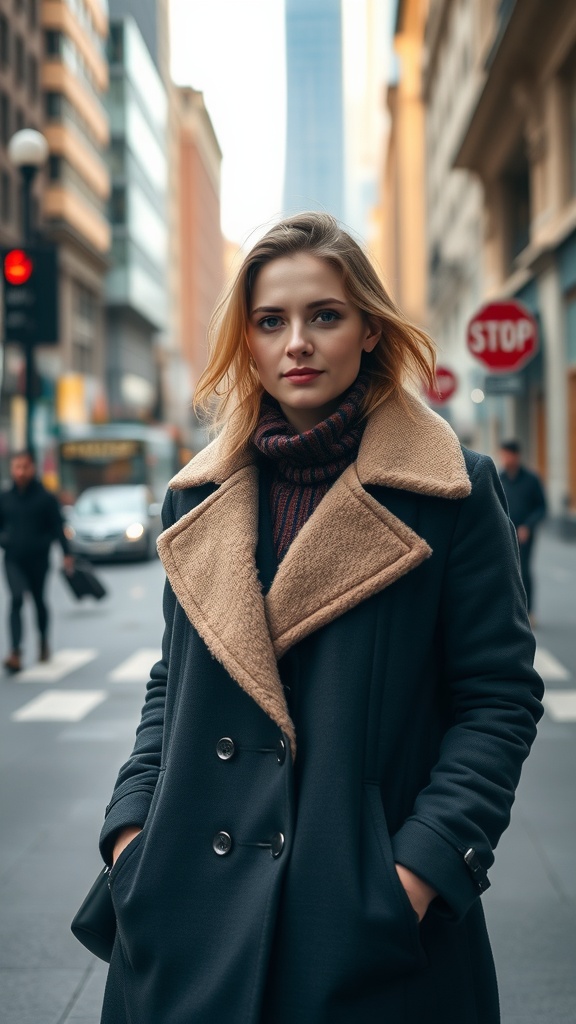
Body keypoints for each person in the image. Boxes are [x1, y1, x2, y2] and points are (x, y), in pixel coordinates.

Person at [98, 214, 543, 1024]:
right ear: (249, 339)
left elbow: (499, 699)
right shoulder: (196, 497)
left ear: (370, 328)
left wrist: (415, 874)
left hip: (361, 929)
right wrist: (131, 835)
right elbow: (172, 684)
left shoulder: (452, 491)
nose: (296, 342)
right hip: (186, 915)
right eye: (271, 321)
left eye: (324, 316)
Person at [0, 450, 74, 672]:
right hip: (13, 559)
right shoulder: (5, 498)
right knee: (15, 599)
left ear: (33, 468)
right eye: (16, 467)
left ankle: (43, 642)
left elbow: (58, 528)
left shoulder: (46, 498)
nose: (20, 472)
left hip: (39, 560)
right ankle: (15, 652)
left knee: (39, 601)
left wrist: (66, 554)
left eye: (24, 467)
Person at [499, 439, 547, 621]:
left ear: (516, 455)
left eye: (507, 455)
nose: (504, 458)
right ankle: (511, 614)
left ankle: (529, 612)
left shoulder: (531, 479)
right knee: (506, 572)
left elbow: (542, 507)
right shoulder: (499, 478)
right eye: (502, 454)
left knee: (524, 572)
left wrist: (528, 525)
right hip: (505, 534)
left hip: (525, 534)